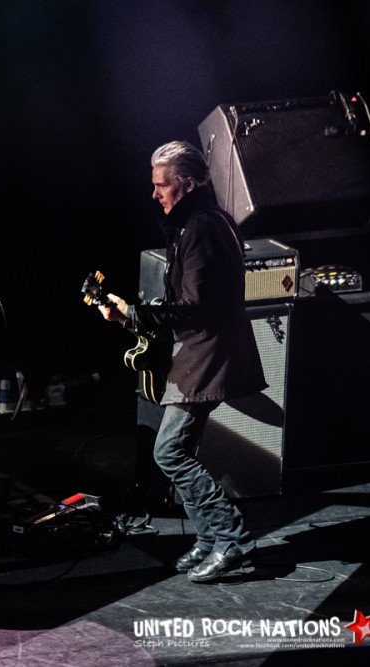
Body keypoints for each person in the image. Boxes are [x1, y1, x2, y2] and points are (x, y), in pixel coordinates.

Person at [97, 141, 266, 583]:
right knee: (180, 448)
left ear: (186, 183)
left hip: (208, 354)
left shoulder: (204, 228)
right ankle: (211, 539)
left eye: (161, 185)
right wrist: (134, 310)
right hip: (202, 351)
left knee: (169, 450)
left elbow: (196, 307)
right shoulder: (200, 223)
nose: (155, 194)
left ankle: (230, 539)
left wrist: (134, 313)